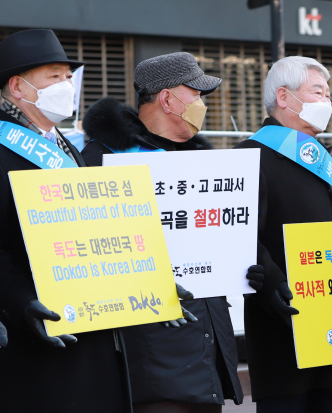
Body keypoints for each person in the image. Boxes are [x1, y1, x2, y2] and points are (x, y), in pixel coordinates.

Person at [0, 29, 131, 412]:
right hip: (32, 343)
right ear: (18, 86)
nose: (67, 85)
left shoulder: (66, 146)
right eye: (54, 76)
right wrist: (21, 300)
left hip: (89, 328)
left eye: (68, 76)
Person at [81, 52, 248, 413]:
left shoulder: (204, 164)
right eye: (197, 95)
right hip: (150, 357)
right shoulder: (102, 159)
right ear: (167, 98)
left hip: (206, 357)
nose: (202, 105)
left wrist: (247, 266)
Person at [233, 56, 332, 412]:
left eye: (328, 94)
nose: (327, 102)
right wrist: (273, 283)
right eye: (318, 92)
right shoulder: (249, 155)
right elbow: (239, 232)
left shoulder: (323, 158)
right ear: (284, 97)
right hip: (283, 320)